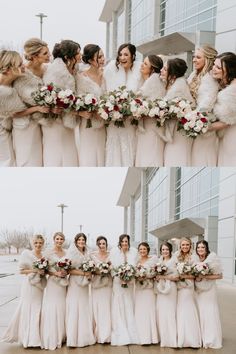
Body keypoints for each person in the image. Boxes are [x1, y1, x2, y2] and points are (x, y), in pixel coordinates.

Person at [0, 50, 48, 166]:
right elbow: (15, 113)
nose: (23, 66)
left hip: (8, 126)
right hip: (2, 131)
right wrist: (36, 108)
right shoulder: (3, 90)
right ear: (8, 69)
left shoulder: (10, 80)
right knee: (8, 161)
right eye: (19, 65)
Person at [2, 235, 46, 348]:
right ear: (33, 243)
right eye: (36, 242)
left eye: (40, 243)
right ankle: (28, 339)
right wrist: (35, 270)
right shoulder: (26, 254)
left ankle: (36, 337)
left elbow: (46, 270)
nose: (38, 245)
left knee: (37, 310)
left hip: (39, 286)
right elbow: (21, 271)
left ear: (43, 243)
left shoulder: (44, 256)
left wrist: (43, 272)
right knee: (28, 309)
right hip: (29, 285)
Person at [13, 38, 51, 166]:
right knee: (28, 162)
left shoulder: (47, 70)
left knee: (41, 163)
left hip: (42, 125)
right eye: (45, 53)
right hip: (25, 126)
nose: (49, 55)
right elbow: (14, 110)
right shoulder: (22, 74)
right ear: (34, 56)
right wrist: (36, 109)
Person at [42, 40, 81, 166]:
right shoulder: (56, 71)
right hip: (56, 121)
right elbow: (49, 96)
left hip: (67, 121)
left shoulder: (72, 69)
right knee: (56, 156)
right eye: (77, 53)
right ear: (67, 57)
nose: (80, 55)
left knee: (69, 156)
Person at [104, 43, 143, 166]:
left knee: (130, 145)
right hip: (114, 119)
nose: (122, 57)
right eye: (120, 54)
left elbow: (142, 94)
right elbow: (105, 93)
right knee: (114, 145)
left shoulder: (139, 72)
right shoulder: (111, 70)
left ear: (133, 56)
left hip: (131, 119)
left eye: (126, 54)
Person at [188, 45, 219, 166]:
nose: (194, 60)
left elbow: (207, 104)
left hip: (203, 128)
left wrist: (192, 120)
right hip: (193, 126)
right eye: (194, 57)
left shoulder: (210, 78)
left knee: (202, 160)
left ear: (207, 59)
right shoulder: (193, 75)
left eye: (198, 57)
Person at [75, 44, 106, 166]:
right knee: (89, 156)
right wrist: (92, 112)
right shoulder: (82, 78)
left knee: (102, 154)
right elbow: (79, 101)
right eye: (99, 57)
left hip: (104, 123)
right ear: (90, 60)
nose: (103, 59)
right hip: (88, 124)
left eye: (103, 56)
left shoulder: (106, 74)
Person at [160, 58, 194, 166]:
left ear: (173, 76)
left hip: (179, 133)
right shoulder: (175, 84)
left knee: (175, 158)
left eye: (165, 69)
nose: (161, 70)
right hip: (174, 130)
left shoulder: (178, 88)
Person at [135, 55, 166, 166]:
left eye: (145, 64)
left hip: (152, 126)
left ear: (152, 69)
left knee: (151, 155)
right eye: (143, 62)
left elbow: (156, 106)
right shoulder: (146, 81)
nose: (142, 65)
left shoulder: (155, 81)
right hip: (145, 126)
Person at [65, 233, 95, 347]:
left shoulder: (88, 252)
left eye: (83, 240)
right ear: (76, 241)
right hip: (75, 284)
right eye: (79, 240)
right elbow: (69, 270)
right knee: (74, 307)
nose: (81, 241)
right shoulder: (71, 252)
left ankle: (85, 336)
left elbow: (91, 267)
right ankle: (73, 338)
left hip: (84, 285)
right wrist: (83, 272)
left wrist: (89, 272)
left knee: (83, 307)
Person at [109, 234, 139, 345]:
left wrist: (129, 277)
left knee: (128, 304)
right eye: (123, 241)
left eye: (126, 241)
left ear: (129, 242)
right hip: (118, 283)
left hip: (129, 283)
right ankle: (120, 329)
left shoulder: (134, 252)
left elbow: (135, 268)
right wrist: (119, 277)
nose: (125, 243)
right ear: (120, 242)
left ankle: (130, 330)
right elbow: (112, 268)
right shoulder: (114, 252)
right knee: (119, 304)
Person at [40, 232, 68, 350]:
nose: (59, 241)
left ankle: (62, 334)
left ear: (63, 240)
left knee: (62, 305)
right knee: (52, 305)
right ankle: (51, 334)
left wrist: (65, 272)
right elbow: (44, 269)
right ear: (54, 239)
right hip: (52, 283)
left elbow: (69, 268)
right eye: (57, 239)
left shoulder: (66, 253)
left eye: (61, 239)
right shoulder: (48, 252)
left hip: (62, 284)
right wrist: (55, 273)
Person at [195, 240, 222, 348]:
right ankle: (201, 337)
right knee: (200, 312)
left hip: (209, 290)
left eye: (202, 247)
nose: (200, 249)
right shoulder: (195, 259)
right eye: (198, 248)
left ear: (206, 248)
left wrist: (204, 276)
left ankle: (211, 338)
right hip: (198, 290)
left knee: (210, 312)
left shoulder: (212, 258)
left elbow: (219, 276)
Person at [210, 52, 236, 165]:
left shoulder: (232, 90)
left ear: (229, 71)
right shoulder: (224, 84)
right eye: (214, 65)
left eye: (218, 67)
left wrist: (202, 127)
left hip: (231, 138)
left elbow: (228, 121)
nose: (214, 69)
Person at [175, 237, 201, 348]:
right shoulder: (176, 256)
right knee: (180, 311)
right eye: (183, 245)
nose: (185, 247)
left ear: (190, 246)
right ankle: (181, 338)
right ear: (180, 246)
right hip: (179, 288)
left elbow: (196, 274)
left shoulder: (194, 257)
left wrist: (184, 275)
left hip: (189, 288)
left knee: (189, 310)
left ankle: (192, 339)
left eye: (187, 245)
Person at [134, 242, 158, 345]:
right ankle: (140, 336)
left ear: (147, 250)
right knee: (140, 311)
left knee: (149, 311)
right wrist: (137, 276)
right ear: (138, 251)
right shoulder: (136, 261)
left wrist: (146, 276)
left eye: (144, 249)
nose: (142, 251)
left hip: (148, 289)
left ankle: (151, 337)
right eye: (140, 249)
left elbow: (155, 273)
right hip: (139, 289)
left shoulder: (153, 260)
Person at [156, 241, 178, 348]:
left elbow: (177, 277)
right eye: (163, 249)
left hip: (171, 289)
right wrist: (158, 277)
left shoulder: (174, 261)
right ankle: (163, 338)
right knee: (161, 312)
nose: (165, 251)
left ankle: (171, 339)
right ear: (161, 251)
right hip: (160, 289)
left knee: (170, 312)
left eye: (166, 249)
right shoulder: (158, 261)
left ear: (170, 250)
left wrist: (163, 277)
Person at [90, 236, 112, 343]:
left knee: (106, 308)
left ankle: (106, 335)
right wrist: (99, 272)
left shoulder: (111, 255)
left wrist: (107, 271)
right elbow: (90, 270)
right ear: (97, 245)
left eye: (104, 243)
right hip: (96, 286)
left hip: (107, 285)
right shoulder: (92, 256)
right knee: (97, 308)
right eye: (100, 244)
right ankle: (98, 333)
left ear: (106, 244)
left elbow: (114, 269)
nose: (102, 246)